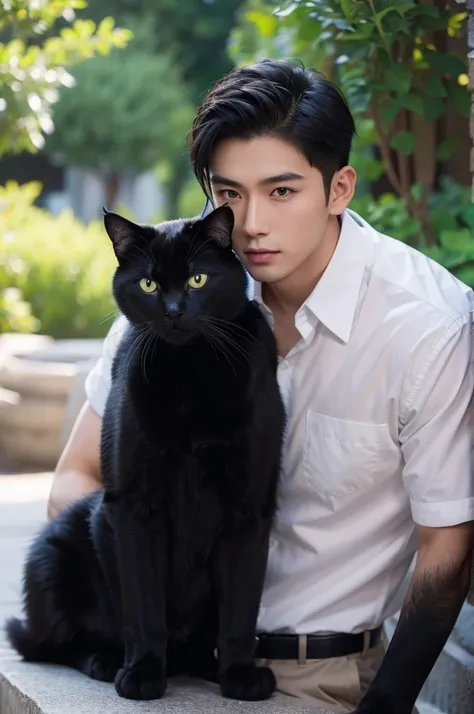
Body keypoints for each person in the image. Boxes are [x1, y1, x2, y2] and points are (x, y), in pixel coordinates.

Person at [47, 59, 474, 713]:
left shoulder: (425, 328)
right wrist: (131, 629)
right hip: (159, 655)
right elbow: (76, 479)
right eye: (229, 194)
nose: (249, 225)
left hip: (313, 678)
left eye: (281, 191)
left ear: (339, 188)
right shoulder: (173, 278)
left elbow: (447, 551)